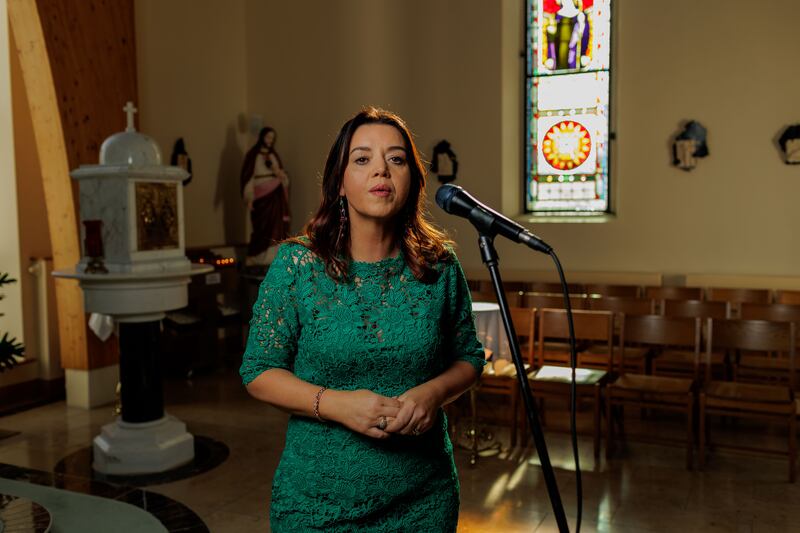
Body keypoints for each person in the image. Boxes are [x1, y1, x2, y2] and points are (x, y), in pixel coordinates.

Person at [240, 107, 485, 531]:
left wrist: (432, 394)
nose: (381, 171)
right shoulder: (298, 265)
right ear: (339, 182)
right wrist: (337, 405)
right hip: (317, 502)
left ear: (412, 180)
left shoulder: (439, 266)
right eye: (362, 159)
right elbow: (258, 371)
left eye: (396, 158)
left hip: (423, 498)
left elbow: (469, 358)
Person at [240, 127, 291, 264]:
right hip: (260, 196)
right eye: (268, 137)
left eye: (272, 138)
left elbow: (282, 176)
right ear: (262, 137)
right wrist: (249, 197)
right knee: (261, 227)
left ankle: (271, 257)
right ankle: (257, 256)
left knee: (275, 226)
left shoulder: (273, 156)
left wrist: (282, 177)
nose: (270, 141)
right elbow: (248, 177)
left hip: (274, 194)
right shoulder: (253, 156)